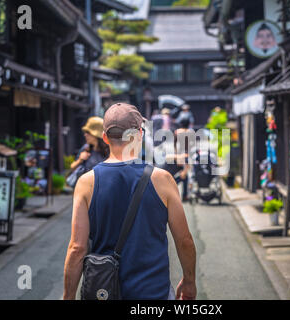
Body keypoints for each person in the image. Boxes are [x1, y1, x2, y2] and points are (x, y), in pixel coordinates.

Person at [63, 103, 197, 300]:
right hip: (153, 294)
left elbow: (77, 248)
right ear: (139, 134)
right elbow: (184, 241)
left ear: (105, 137)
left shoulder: (86, 183)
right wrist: (189, 281)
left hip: (104, 292)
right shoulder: (162, 180)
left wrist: (68, 296)